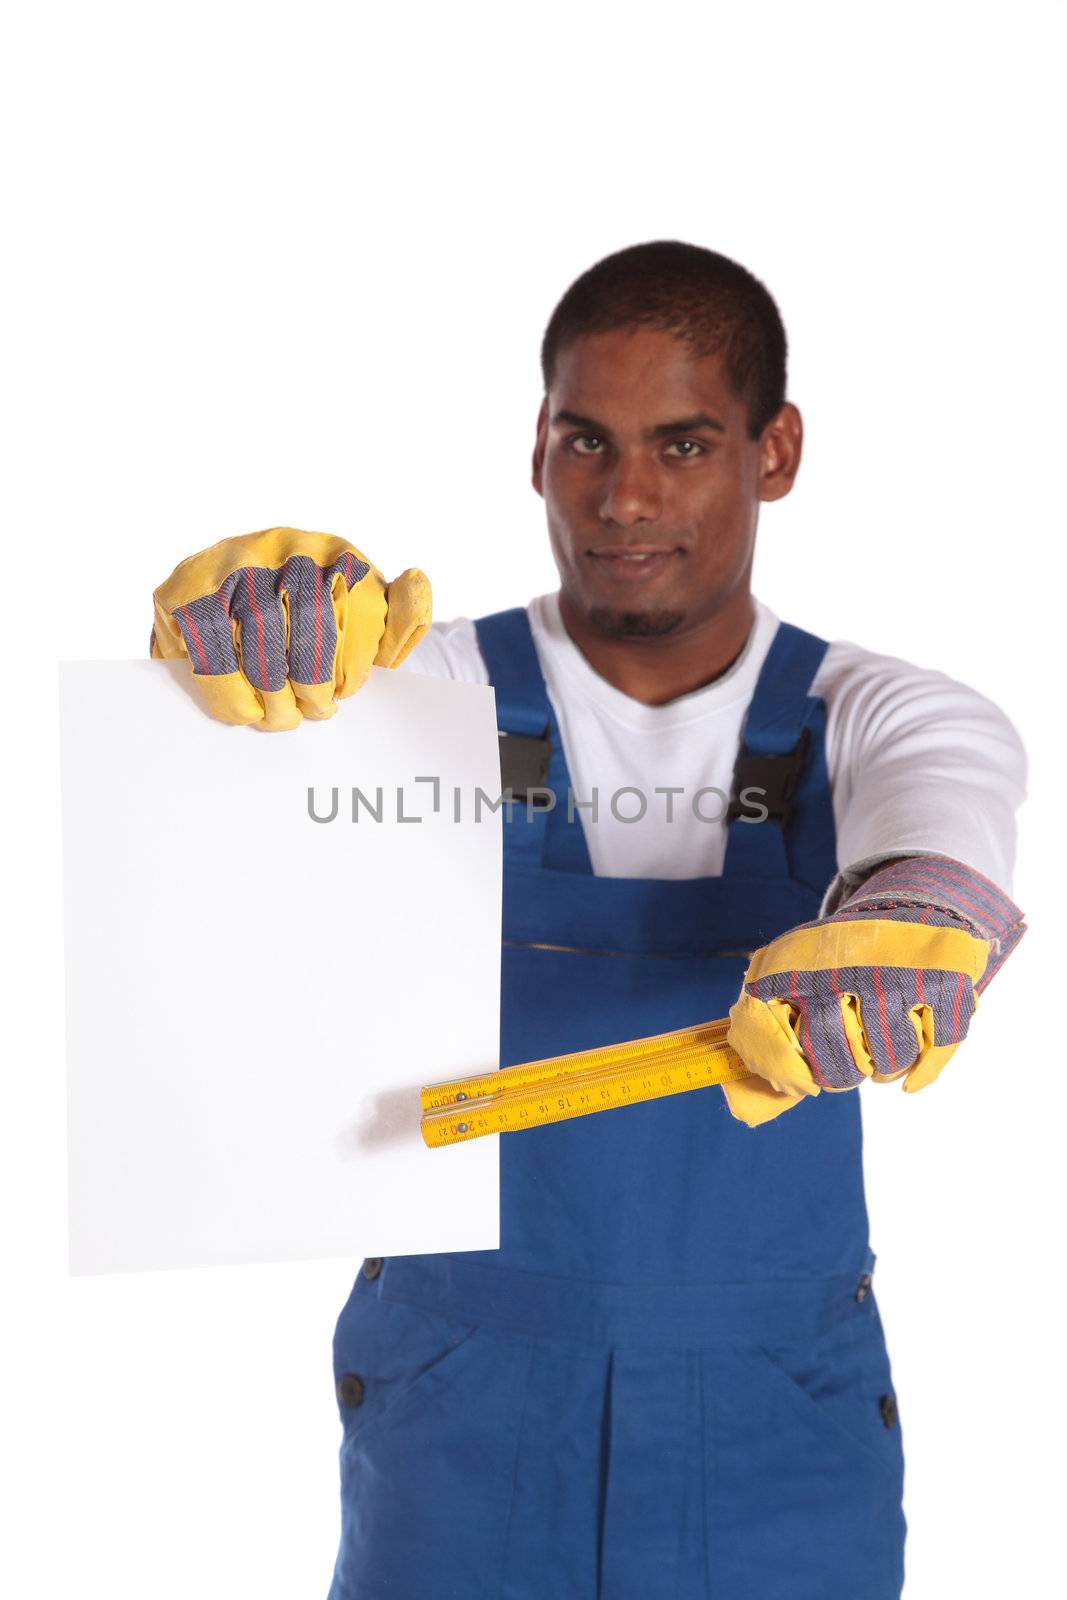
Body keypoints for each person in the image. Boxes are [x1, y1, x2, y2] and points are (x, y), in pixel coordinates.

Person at [149, 240, 1028, 1599]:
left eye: (682, 445)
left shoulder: (879, 712)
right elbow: (215, 802)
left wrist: (917, 910)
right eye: (585, 441)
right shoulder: (416, 689)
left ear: (774, 449)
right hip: (463, 1406)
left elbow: (944, 813)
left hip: (776, 1421)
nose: (623, 497)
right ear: (538, 448)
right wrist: (240, 640)